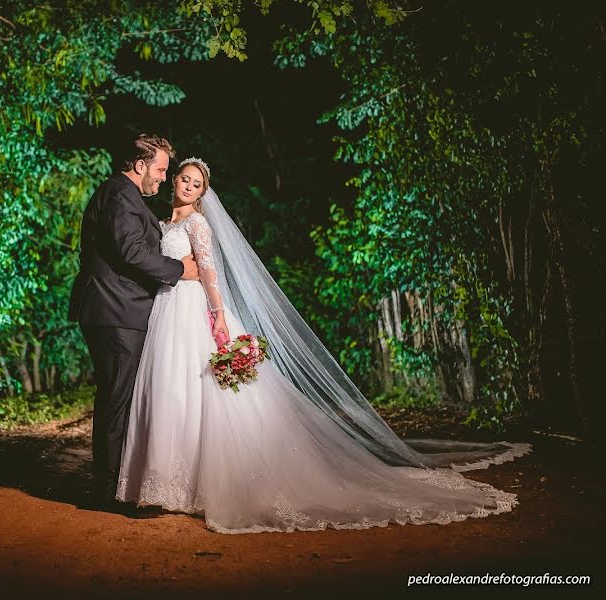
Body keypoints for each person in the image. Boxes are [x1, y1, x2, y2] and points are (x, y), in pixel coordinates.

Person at [116, 157, 532, 533]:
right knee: (173, 392)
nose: (188, 186)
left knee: (203, 395)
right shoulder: (163, 224)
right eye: (184, 180)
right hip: (165, 310)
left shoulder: (198, 225)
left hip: (193, 311)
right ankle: (171, 483)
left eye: (196, 184)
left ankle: (204, 484)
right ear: (174, 182)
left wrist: (220, 314)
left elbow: (208, 271)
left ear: (204, 193)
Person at [68, 134, 199, 509]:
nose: (162, 178)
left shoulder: (125, 197)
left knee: (121, 398)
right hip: (116, 312)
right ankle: (109, 492)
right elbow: (132, 252)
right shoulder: (120, 196)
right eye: (159, 170)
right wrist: (181, 269)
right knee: (117, 400)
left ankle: (118, 486)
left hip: (120, 311)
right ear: (140, 166)